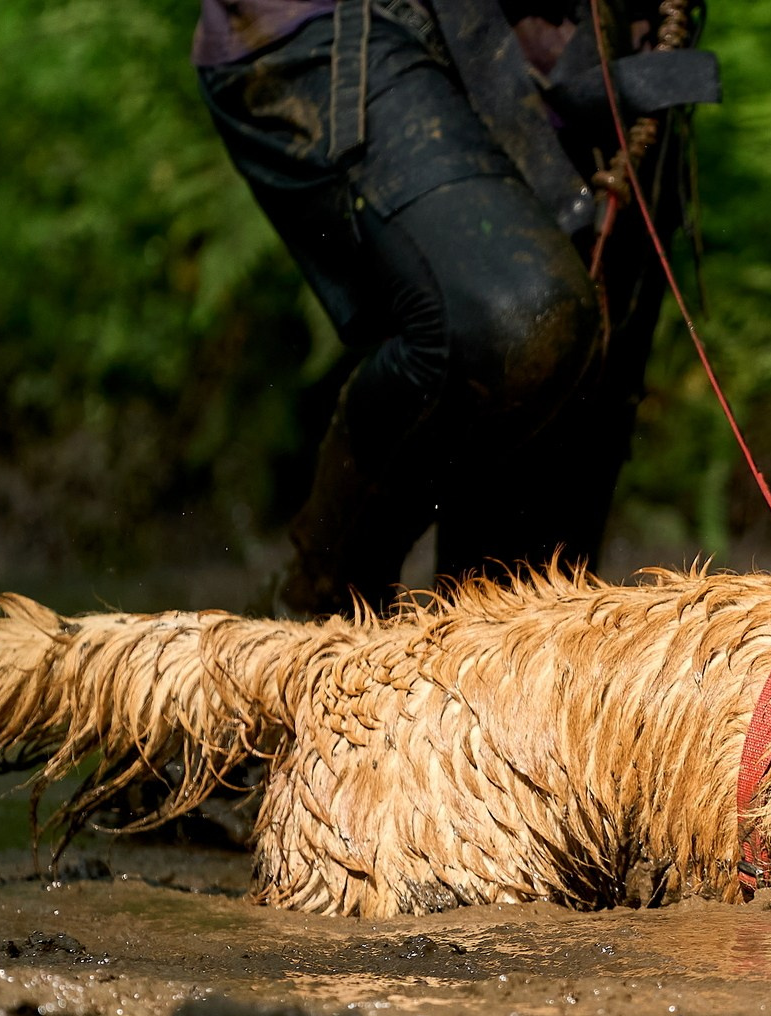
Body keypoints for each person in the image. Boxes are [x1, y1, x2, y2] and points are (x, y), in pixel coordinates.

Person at [191, 0, 716, 615]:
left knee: (529, 623)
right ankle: (313, 617)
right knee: (517, 318)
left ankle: (463, 694)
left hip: (587, 55)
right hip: (342, 22)